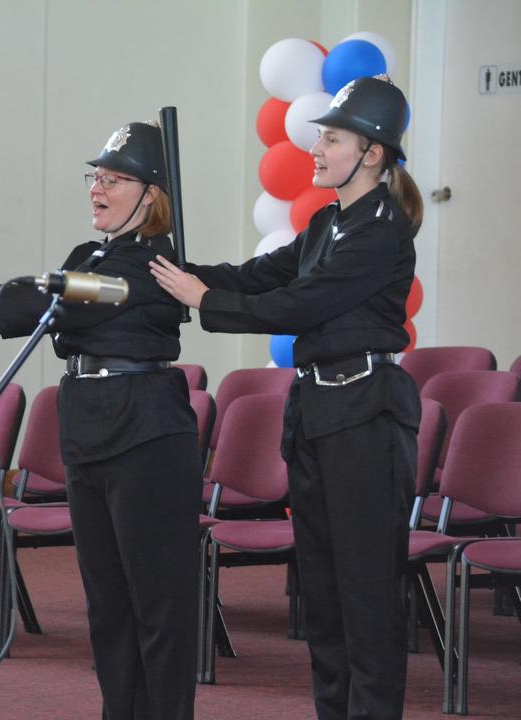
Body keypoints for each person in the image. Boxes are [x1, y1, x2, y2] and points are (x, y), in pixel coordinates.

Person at [150, 75, 421, 720]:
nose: (317, 150)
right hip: (320, 414)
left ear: (373, 152)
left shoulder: (383, 230)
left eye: (331, 138)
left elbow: (305, 302)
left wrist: (205, 302)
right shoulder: (328, 222)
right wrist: (179, 272)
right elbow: (259, 275)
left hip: (367, 415)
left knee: (366, 594)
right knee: (322, 593)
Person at [0, 122, 200, 719]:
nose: (97, 188)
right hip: (90, 427)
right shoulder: (86, 255)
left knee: (157, 603)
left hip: (146, 431)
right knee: (106, 601)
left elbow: (56, 301)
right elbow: (40, 302)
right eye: (95, 176)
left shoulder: (159, 262)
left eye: (114, 178)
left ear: (149, 194)